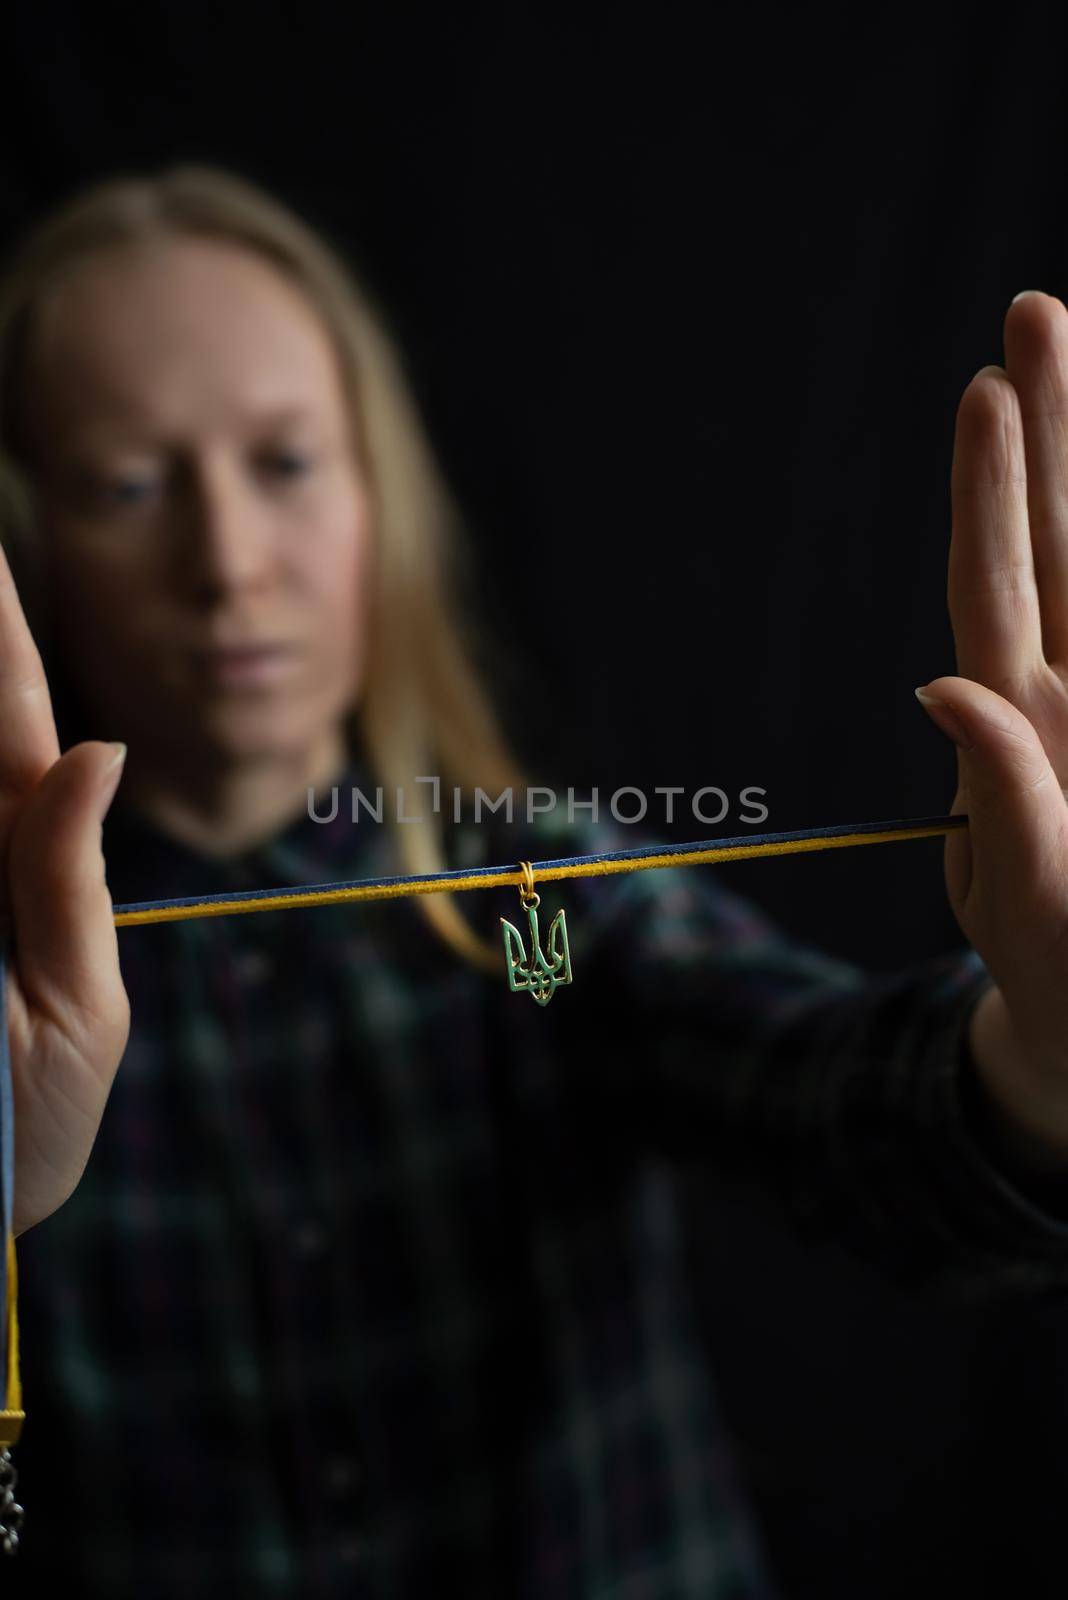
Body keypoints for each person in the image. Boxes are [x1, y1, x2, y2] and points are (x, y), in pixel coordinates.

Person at [0, 165, 1067, 1599]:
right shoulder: (16, 1000)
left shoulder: (526, 917)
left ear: (384, 492)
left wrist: (1041, 1066)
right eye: (129, 485)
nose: (227, 564)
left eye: (287, 462)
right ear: (32, 544)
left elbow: (815, 1087)